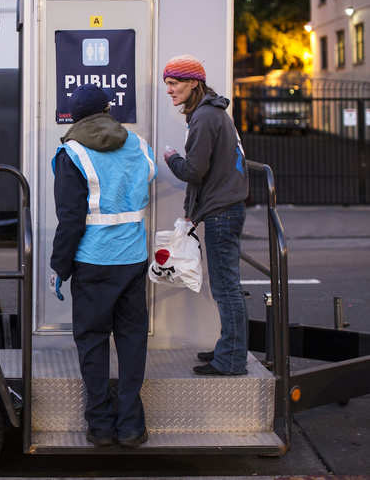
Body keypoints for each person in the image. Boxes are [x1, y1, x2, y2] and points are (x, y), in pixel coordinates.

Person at [50, 84, 156, 448]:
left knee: (93, 341)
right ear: (108, 110)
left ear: (75, 115)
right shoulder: (138, 144)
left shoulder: (72, 153)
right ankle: (130, 426)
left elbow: (70, 219)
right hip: (133, 259)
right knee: (131, 340)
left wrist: (59, 267)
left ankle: (100, 426)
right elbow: (148, 178)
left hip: (93, 262)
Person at [161, 54, 249, 376]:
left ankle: (231, 360)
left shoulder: (204, 118)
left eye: (174, 83)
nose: (169, 90)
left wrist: (171, 158)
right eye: (167, 84)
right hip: (224, 209)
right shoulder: (211, 114)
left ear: (193, 83)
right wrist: (191, 213)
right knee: (226, 286)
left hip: (222, 212)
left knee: (226, 287)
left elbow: (194, 171)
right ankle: (230, 348)